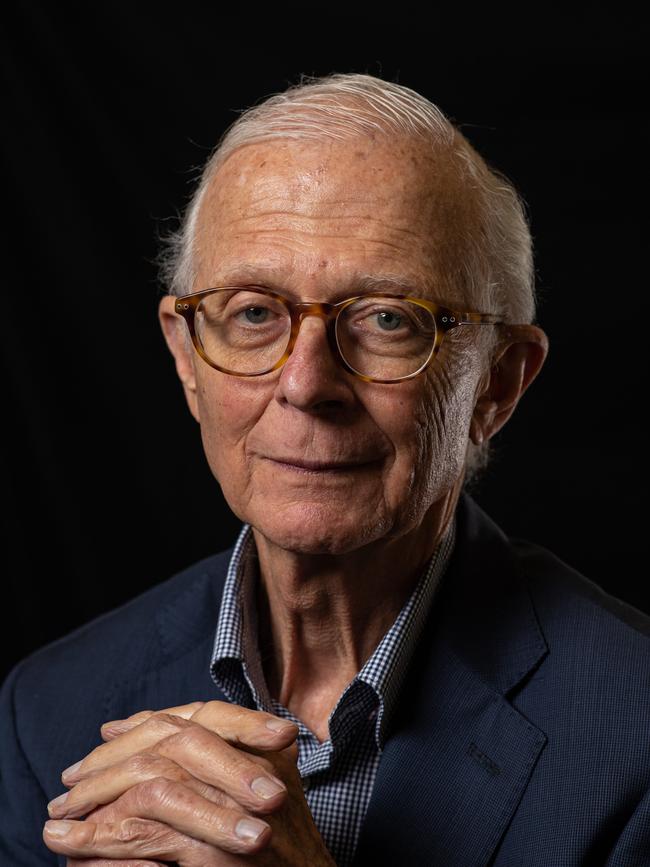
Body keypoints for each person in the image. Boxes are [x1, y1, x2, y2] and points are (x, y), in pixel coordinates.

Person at [1, 72, 649, 867]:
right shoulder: (46, 710)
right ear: (186, 358)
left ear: (498, 381)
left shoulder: (635, 734)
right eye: (253, 312)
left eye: (386, 319)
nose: (306, 384)